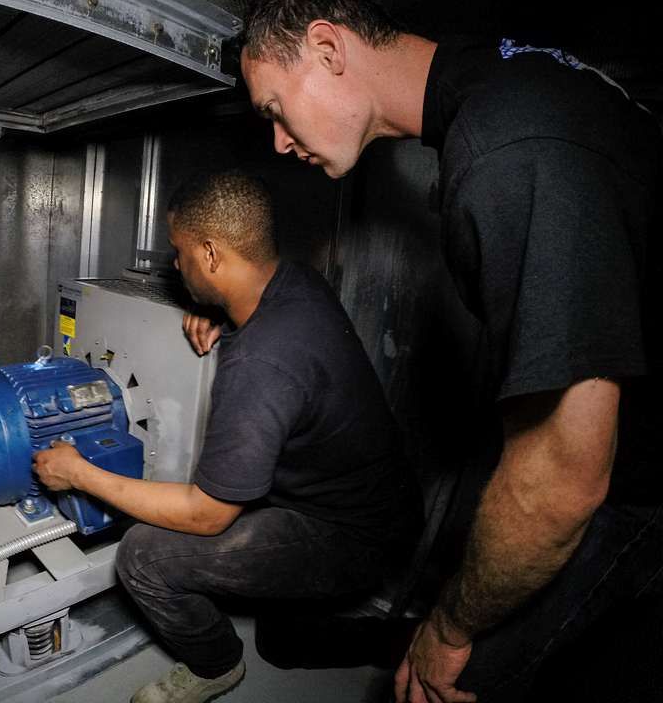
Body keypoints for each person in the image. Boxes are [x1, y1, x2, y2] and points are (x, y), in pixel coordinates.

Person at [220, 0, 663, 703]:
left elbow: (562, 479)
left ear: (327, 48)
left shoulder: (505, 151)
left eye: (275, 108)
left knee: (436, 684)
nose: (278, 142)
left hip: (630, 491)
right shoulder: (506, 83)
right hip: (620, 466)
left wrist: (451, 628)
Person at [35, 172, 421, 703]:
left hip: (351, 534)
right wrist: (217, 309)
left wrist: (80, 473)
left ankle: (216, 665)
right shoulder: (295, 283)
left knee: (142, 556)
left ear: (212, 254)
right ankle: (402, 640)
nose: (176, 265)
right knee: (282, 644)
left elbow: (206, 515)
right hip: (376, 499)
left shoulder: (260, 363)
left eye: (181, 252)